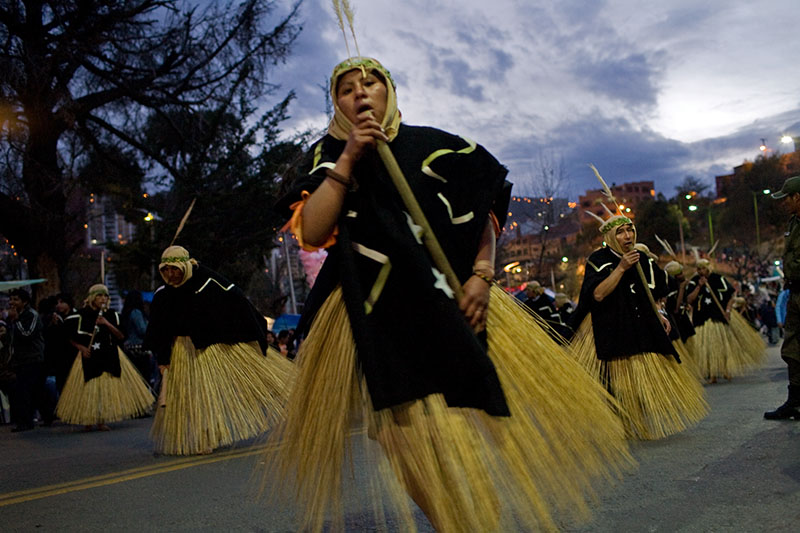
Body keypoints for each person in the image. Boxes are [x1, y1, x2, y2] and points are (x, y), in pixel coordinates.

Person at [266, 57, 631, 532]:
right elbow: (312, 233)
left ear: (388, 91)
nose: (360, 94)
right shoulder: (327, 155)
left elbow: (483, 214)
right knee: (393, 434)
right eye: (346, 89)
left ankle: (475, 518)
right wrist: (350, 157)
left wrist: (482, 274)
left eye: (370, 84)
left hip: (448, 296)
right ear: (335, 103)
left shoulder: (438, 148)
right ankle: (452, 522)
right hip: (372, 305)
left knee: (457, 417)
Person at [144, 246, 294, 455]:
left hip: (208, 349)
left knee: (203, 395)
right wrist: (162, 358)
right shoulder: (163, 295)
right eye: (166, 270)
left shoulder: (209, 283)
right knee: (189, 398)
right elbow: (159, 329)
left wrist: (254, 333)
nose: (171, 275)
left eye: (174, 269)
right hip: (180, 351)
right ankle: (201, 436)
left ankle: (207, 436)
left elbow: (239, 303)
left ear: (185, 266)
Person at [570, 215, 707, 440]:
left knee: (641, 377)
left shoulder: (641, 258)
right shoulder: (598, 259)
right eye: (621, 232)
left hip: (640, 324)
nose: (628, 236)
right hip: (613, 327)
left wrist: (658, 313)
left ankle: (638, 419)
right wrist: (621, 268)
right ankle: (623, 424)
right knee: (618, 383)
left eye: (630, 230)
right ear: (610, 237)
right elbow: (598, 294)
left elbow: (648, 291)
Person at [55, 284, 153, 430]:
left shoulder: (112, 315)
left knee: (104, 387)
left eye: (105, 296)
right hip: (88, 358)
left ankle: (101, 419)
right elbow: (67, 336)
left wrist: (106, 323)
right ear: (92, 297)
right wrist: (81, 348)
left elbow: (121, 335)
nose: (103, 299)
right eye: (99, 296)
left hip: (109, 356)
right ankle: (87, 419)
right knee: (87, 389)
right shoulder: (79, 316)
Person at [686, 258, 765, 383]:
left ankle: (725, 370)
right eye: (698, 269)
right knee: (707, 348)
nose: (700, 271)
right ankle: (711, 373)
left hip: (718, 318)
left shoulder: (718, 279)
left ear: (708, 268)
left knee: (721, 345)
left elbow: (731, 295)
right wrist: (699, 286)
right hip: (701, 319)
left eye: (702, 268)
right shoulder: (694, 282)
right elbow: (689, 300)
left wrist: (728, 311)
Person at [765, 175, 800, 419]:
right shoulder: (794, 222)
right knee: (793, 348)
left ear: (797, 197)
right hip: (795, 291)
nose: (783, 203)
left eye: (786, 198)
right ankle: (796, 400)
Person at [4, 289, 45, 432]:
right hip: (19, 360)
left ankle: (29, 420)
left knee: (28, 390)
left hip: (32, 358)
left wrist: (16, 321)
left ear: (24, 301)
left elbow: (28, 334)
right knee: (20, 391)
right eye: (11, 299)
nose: (12, 303)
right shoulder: (15, 317)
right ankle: (23, 420)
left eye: (16, 299)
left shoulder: (31, 315)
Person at [121, 290, 156, 388]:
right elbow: (142, 330)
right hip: (139, 350)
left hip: (129, 348)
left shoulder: (126, 313)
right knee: (143, 377)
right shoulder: (136, 312)